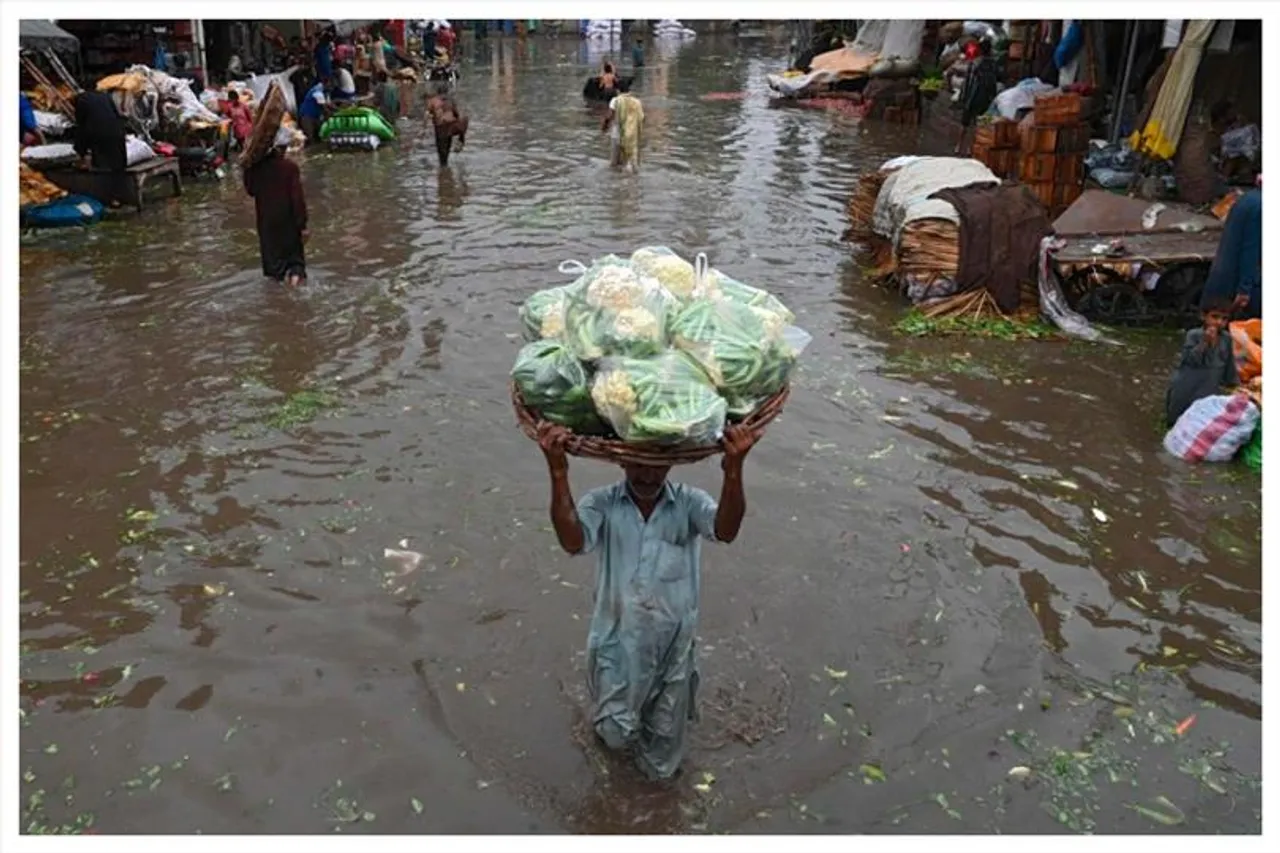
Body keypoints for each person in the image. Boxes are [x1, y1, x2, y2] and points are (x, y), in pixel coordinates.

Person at [536, 422, 757, 781]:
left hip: (673, 650)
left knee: (663, 758)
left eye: (657, 465)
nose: (647, 474)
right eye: (637, 463)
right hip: (616, 645)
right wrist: (558, 471)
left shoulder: (688, 503)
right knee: (613, 736)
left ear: (671, 465)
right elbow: (572, 541)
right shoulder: (603, 504)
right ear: (622, 461)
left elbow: (726, 530)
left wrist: (734, 468)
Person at [243, 126, 308, 287]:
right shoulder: (289, 168)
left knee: (274, 270)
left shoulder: (255, 169)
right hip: (289, 223)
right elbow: (297, 199)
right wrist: (303, 225)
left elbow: (251, 191)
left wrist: (247, 167)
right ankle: (296, 295)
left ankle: (277, 300)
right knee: (295, 264)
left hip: (266, 224)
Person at [1165, 297, 1240, 426]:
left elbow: (1229, 364)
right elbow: (1190, 360)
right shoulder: (1194, 335)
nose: (1219, 322)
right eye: (1215, 317)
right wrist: (1204, 342)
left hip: (1208, 387)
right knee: (1178, 420)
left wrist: (1234, 384)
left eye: (1224, 319)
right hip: (1188, 385)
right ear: (1203, 316)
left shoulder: (1226, 339)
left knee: (1201, 421)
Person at [1201, 186, 1261, 320]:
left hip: (1224, 273)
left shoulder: (1248, 199)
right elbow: (1251, 250)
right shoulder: (1260, 207)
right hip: (1240, 281)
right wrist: (1245, 288)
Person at [72, 90, 129, 204]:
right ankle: (120, 196)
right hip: (117, 130)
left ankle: (109, 197)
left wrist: (80, 150)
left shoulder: (81, 101)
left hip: (99, 132)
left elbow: (81, 124)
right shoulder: (104, 97)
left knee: (104, 166)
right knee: (118, 164)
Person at [955, 39, 998, 154]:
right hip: (984, 97)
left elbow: (967, 82)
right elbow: (993, 82)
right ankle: (970, 147)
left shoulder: (974, 63)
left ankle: (959, 145)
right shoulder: (993, 64)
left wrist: (962, 97)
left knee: (965, 123)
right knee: (977, 123)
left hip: (971, 96)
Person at [426, 82, 468, 166]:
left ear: (437, 91)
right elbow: (456, 113)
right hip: (450, 125)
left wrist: (425, 126)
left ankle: (443, 167)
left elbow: (428, 114)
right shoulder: (450, 100)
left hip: (440, 126)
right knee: (447, 146)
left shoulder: (433, 101)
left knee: (441, 148)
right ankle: (446, 166)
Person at [602, 89, 644, 170]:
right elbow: (641, 118)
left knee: (614, 163)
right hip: (631, 136)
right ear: (630, 91)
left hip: (617, 135)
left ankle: (615, 179)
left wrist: (604, 127)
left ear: (618, 90)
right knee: (629, 162)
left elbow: (609, 116)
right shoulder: (637, 102)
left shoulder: (616, 100)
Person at [296, 77, 329, 144]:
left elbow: (328, 104)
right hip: (306, 116)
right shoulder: (317, 91)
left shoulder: (322, 90)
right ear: (327, 83)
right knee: (310, 137)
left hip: (314, 116)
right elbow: (324, 107)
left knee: (321, 134)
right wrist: (330, 114)